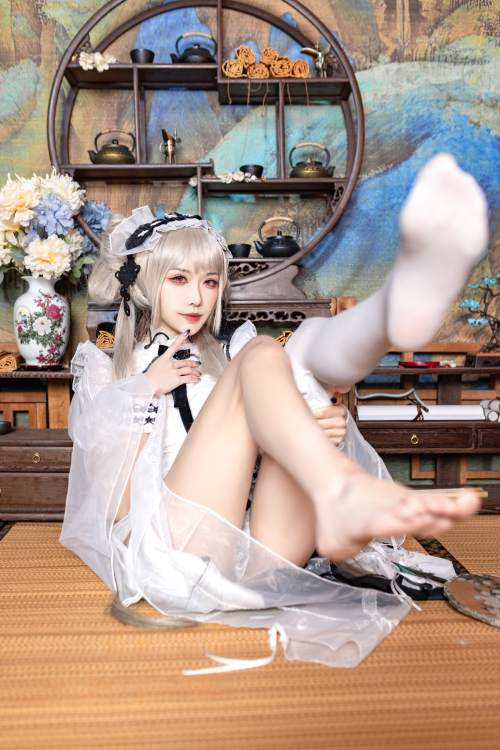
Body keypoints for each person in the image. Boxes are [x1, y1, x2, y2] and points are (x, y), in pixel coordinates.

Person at [60, 154, 488, 672]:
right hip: (177, 552)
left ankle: (391, 313)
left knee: (297, 354)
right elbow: (117, 512)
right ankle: (339, 482)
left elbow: (249, 469)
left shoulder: (228, 352)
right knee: (267, 353)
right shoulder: (110, 371)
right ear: (147, 282)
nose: (198, 298)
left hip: (259, 552)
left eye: (211, 282)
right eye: (179, 279)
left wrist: (311, 430)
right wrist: (146, 390)